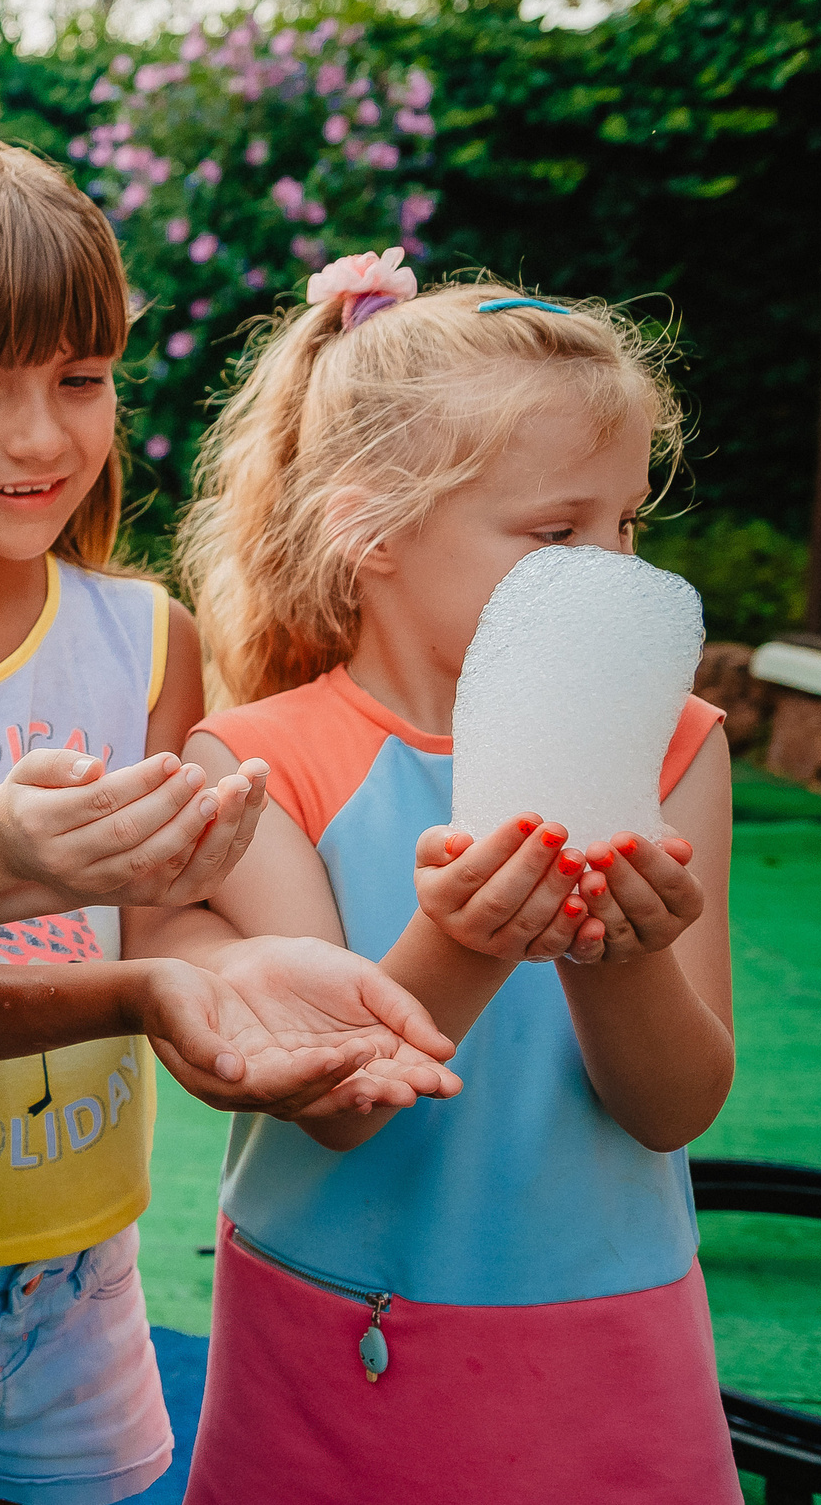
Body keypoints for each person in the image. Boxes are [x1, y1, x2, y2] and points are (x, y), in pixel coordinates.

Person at [0, 141, 463, 1505]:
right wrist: (143, 993)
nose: (41, 436)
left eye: (79, 380)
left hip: (88, 1271)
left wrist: (242, 996)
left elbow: (168, 927)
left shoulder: (153, 639)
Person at [174, 257, 740, 1504]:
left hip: (608, 1335)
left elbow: (674, 1106)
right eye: (555, 533)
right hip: (345, 1346)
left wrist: (623, 950)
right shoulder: (265, 764)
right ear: (369, 527)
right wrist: (470, 940)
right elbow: (336, 1105)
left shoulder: (676, 745)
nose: (611, 573)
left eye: (626, 526)